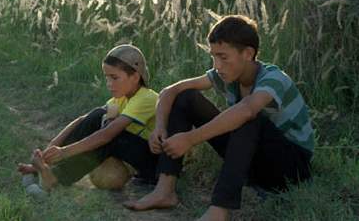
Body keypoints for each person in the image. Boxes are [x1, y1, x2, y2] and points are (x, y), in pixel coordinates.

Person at [123, 15, 314, 220]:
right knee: (185, 97)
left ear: (248, 53)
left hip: (291, 168)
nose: (217, 65)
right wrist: (159, 127)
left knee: (247, 117)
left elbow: (248, 110)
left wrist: (190, 139)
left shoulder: (274, 78)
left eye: (223, 57)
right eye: (213, 56)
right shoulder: (226, 75)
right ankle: (164, 190)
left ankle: (219, 210)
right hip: (251, 161)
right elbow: (171, 90)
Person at [17, 44, 160, 191]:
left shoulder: (147, 97)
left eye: (115, 78)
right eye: (107, 78)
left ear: (135, 77)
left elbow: (106, 136)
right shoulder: (120, 99)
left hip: (155, 167)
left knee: (111, 136)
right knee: (98, 115)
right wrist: (49, 152)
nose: (109, 84)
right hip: (133, 160)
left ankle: (57, 177)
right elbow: (83, 121)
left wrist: (65, 151)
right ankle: (47, 168)